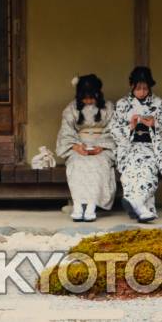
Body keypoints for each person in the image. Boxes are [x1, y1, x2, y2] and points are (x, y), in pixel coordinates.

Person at [111, 66, 162, 223]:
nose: (142, 91)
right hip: (129, 148)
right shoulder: (122, 104)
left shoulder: (158, 103)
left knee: (148, 170)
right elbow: (113, 130)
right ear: (131, 86)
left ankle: (136, 203)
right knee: (130, 174)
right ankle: (142, 208)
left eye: (145, 88)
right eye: (138, 88)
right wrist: (130, 127)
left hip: (150, 147)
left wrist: (154, 124)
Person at [56, 74, 117, 222]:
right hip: (79, 145)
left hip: (102, 147)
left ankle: (91, 207)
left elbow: (114, 130)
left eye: (92, 97)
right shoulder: (71, 108)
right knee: (77, 164)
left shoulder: (108, 107)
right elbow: (66, 131)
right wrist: (76, 146)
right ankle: (78, 206)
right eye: (85, 97)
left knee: (98, 164)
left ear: (98, 93)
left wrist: (101, 146)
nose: (88, 101)